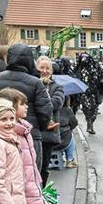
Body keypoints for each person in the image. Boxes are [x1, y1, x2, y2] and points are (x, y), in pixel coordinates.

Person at [0, 44, 52, 171]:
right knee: (31, 174)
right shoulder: (36, 82)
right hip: (29, 134)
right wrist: (37, 128)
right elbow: (45, 111)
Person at [0, 88, 48, 204]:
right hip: (19, 185)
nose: (27, 106)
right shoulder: (11, 134)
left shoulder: (24, 129)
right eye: (22, 104)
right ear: (11, 107)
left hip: (28, 180)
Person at [35, 56, 64, 185]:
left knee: (44, 167)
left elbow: (56, 103)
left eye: (47, 68)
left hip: (48, 133)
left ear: (51, 71)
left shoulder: (57, 87)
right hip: (34, 131)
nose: (44, 71)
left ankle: (42, 194)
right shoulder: (32, 84)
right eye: (42, 67)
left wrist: (40, 102)